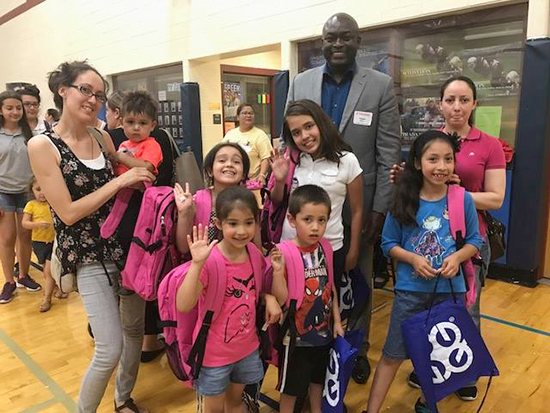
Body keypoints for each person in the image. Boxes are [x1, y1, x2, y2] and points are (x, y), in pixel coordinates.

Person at [28, 60, 155, 412]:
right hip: (86, 255)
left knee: (133, 333)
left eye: (98, 95)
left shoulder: (101, 137)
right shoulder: (43, 146)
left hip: (125, 248)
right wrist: (121, 181)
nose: (93, 99)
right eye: (86, 90)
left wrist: (147, 164)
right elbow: (67, 213)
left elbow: (125, 160)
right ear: (63, 90)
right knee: (108, 348)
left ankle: (122, 398)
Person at [286, 12, 402, 383]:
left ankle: (357, 349)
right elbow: (290, 144)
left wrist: (378, 211)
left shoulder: (380, 85)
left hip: (358, 207)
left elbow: (388, 153)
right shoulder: (301, 83)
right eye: (330, 38)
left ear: (358, 41)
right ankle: (308, 347)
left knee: (357, 281)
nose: (337, 44)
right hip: (307, 211)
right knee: (309, 284)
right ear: (322, 42)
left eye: (345, 37)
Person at [393, 76, 506, 401]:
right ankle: (430, 365)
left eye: (464, 99)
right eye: (450, 100)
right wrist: (405, 180)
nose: (457, 106)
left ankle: (465, 371)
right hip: (428, 238)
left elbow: (496, 198)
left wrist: (457, 192)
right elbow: (416, 190)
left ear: (474, 104)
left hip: (468, 240)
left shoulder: (489, 144)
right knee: (428, 307)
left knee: (465, 306)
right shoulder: (430, 141)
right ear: (440, 104)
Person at [365, 130, 483, 413]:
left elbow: (475, 241)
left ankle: (426, 403)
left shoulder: (461, 198)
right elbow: (388, 243)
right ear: (417, 163)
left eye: (448, 159)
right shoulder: (405, 198)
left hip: (450, 294)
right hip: (410, 293)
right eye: (433, 159)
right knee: (392, 355)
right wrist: (413, 259)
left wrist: (457, 256)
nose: (441, 166)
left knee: (439, 356)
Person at [176, 186, 285, 413]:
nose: (242, 231)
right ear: (218, 223)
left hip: (247, 350)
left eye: (248, 222)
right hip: (213, 357)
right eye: (233, 223)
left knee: (235, 402)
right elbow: (184, 304)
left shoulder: (254, 254)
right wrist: (197, 264)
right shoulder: (210, 260)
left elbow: (252, 291)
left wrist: (269, 297)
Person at [270, 99, 363, 303]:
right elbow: (278, 202)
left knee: (323, 309)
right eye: (296, 132)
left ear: (321, 123)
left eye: (309, 126)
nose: (304, 136)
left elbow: (357, 210)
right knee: (288, 305)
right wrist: (278, 179)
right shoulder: (292, 159)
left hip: (329, 248)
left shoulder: (347, 160)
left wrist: (354, 250)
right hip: (290, 246)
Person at [275, 185, 344, 413]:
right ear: (292, 220)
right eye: (308, 219)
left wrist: (336, 320)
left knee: (318, 382)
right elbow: (283, 298)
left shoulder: (325, 247)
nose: (316, 227)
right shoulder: (283, 251)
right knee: (291, 389)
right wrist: (277, 272)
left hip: (323, 335)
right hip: (295, 338)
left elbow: (330, 286)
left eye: (321, 220)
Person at [0, 91, 41, 305]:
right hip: (3, 192)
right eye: (10, 108)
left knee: (25, 236)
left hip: (26, 191)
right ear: (1, 110)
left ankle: (24, 275)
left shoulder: (30, 134)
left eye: (18, 108)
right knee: (7, 238)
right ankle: (9, 282)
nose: (15, 112)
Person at [174, 142, 251, 255]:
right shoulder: (196, 201)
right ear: (210, 171)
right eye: (222, 160)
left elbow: (255, 248)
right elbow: (184, 248)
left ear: (243, 173)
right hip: (203, 267)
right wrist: (184, 212)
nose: (229, 164)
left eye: (236, 162)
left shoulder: (248, 203)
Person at [22, 178, 68, 312]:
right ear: (32, 190)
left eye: (44, 189)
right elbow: (24, 223)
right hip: (39, 243)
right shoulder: (31, 205)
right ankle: (57, 289)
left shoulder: (54, 203)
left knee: (49, 270)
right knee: (46, 270)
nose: (42, 193)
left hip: (54, 242)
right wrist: (36, 225)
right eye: (38, 189)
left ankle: (46, 298)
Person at [222, 103, 272, 202]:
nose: (248, 115)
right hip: (232, 183)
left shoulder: (260, 135)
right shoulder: (230, 134)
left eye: (251, 113)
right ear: (238, 117)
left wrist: (262, 176)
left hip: (251, 184)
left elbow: (265, 158)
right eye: (244, 113)